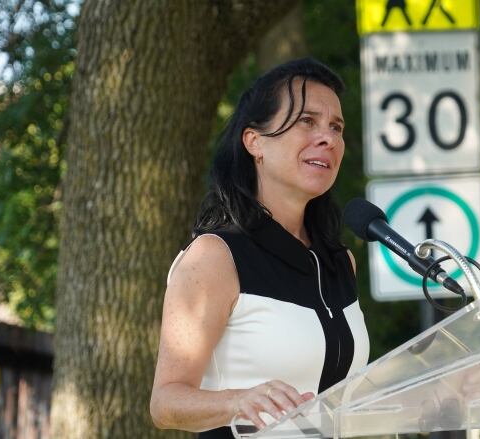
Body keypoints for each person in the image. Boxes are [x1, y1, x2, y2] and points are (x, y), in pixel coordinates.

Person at [149, 58, 370, 437]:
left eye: (336, 127)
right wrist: (238, 401)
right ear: (254, 142)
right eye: (307, 121)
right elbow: (166, 403)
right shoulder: (216, 257)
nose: (328, 138)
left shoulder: (339, 262)